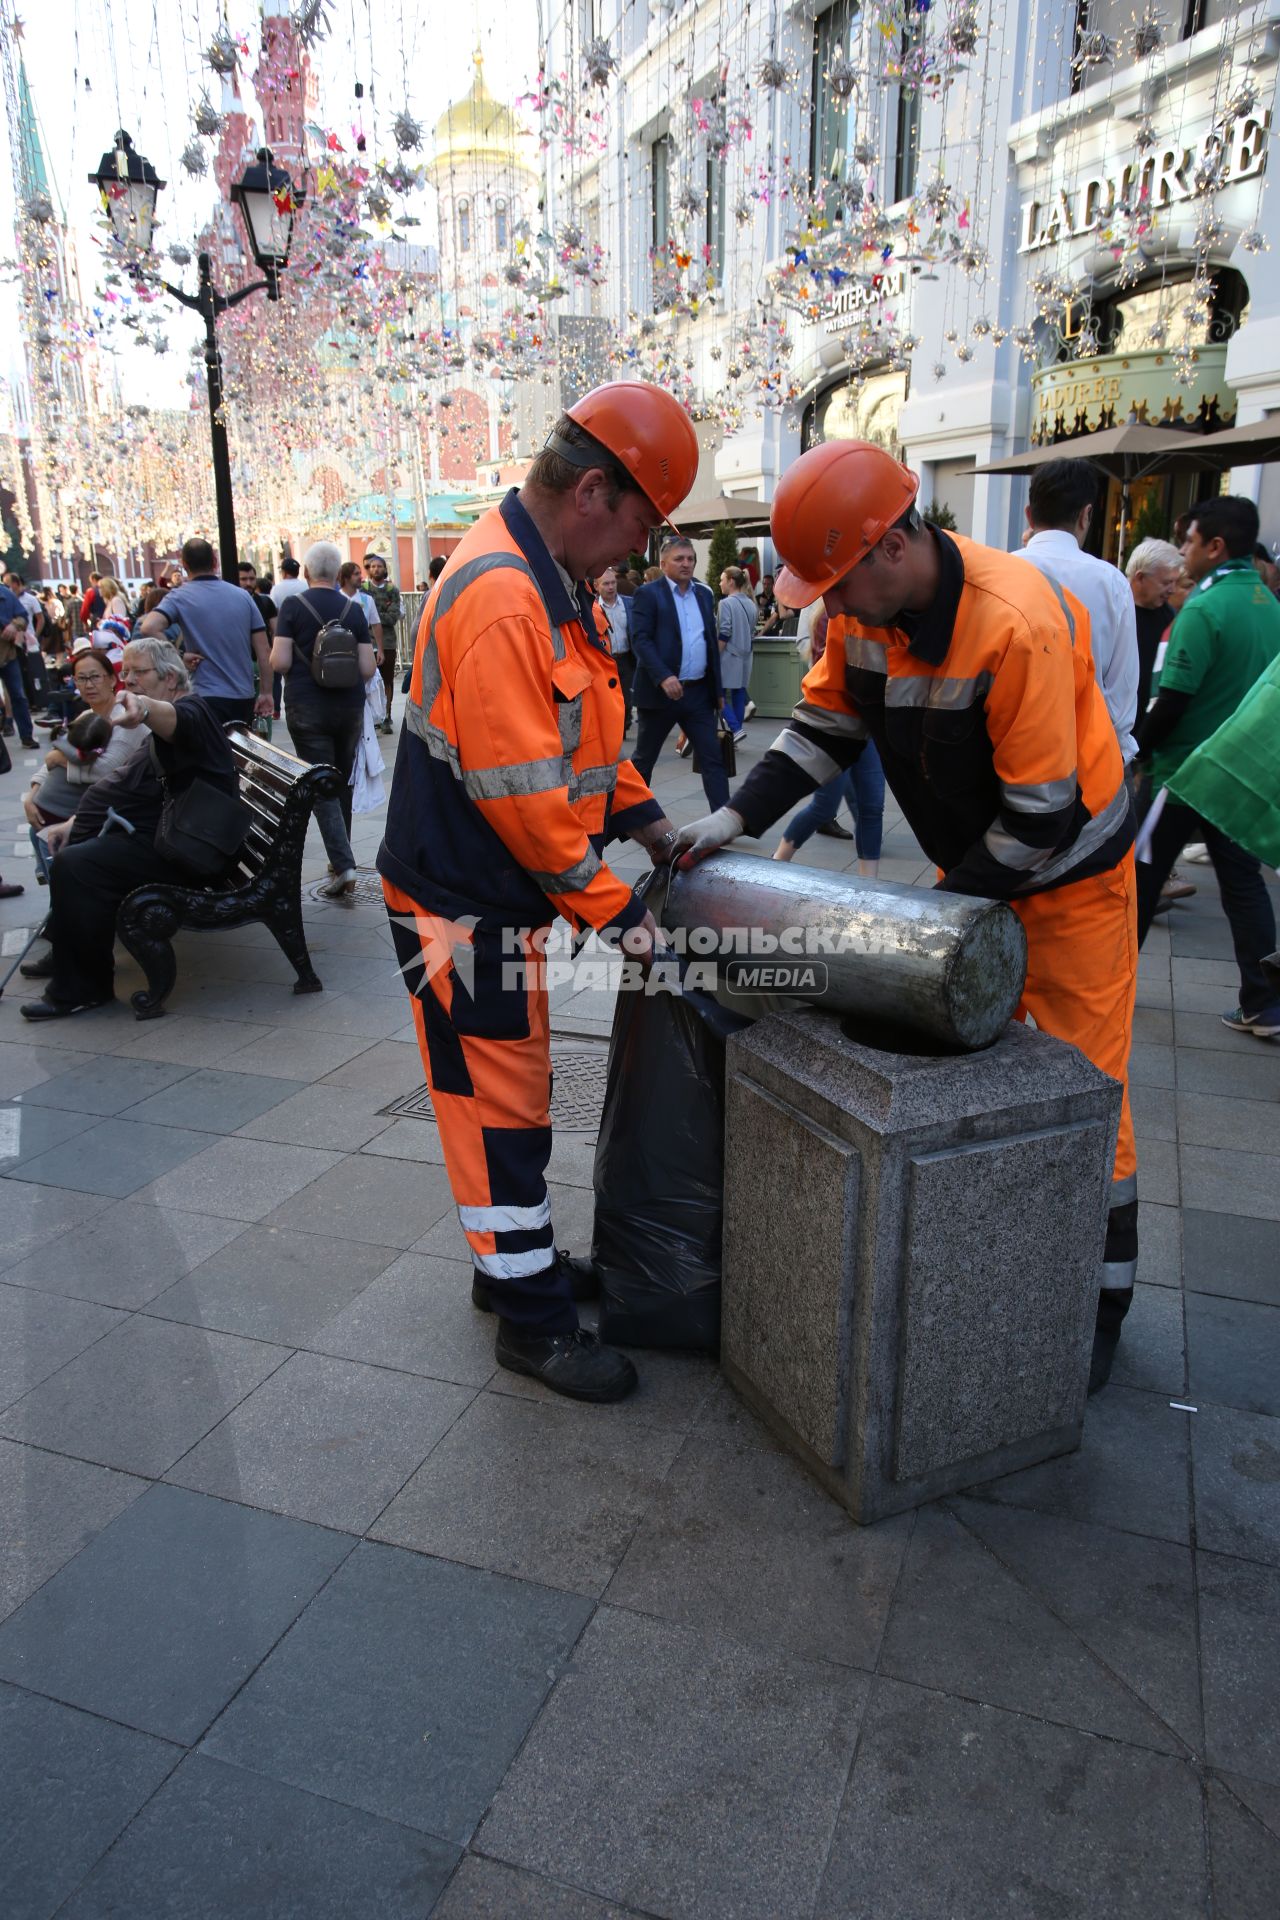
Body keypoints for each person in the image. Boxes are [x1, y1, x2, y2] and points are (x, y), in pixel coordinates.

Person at [674, 438, 1138, 1393]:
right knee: (973, 1055)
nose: (829, 608)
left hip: (1075, 881)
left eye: (838, 584)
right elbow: (822, 731)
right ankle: (991, 1256)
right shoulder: (864, 616)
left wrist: (937, 915)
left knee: (1087, 1076)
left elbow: (1044, 819)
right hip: (976, 857)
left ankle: (1097, 1300)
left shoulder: (1017, 621)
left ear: (892, 547)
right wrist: (732, 817)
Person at [378, 380, 696, 1404]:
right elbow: (530, 810)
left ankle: (510, 1270)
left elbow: (586, 749)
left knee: (505, 1098)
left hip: (482, 898)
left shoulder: (545, 578)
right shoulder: (504, 597)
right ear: (595, 490)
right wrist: (627, 920)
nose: (638, 553)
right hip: (459, 906)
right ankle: (531, 1323)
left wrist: (650, 820)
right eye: (642, 527)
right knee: (500, 1114)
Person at [19, 637, 239, 1020]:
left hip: (192, 851)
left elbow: (173, 719)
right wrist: (74, 821)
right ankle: (74, 961)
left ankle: (83, 987)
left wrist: (143, 708)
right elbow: (130, 780)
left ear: (170, 678)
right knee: (79, 860)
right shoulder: (172, 713)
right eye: (126, 673)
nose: (129, 681)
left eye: (138, 673)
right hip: (173, 837)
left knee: (78, 867)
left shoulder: (191, 711)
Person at [1134, 495, 1280, 1037]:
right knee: (1244, 885)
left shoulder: (1204, 608)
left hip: (1183, 772)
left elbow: (1171, 699)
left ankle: (1111, 986)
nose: (1184, 551)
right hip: (1236, 773)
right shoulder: (1268, 603)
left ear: (1215, 546)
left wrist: (1140, 751)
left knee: (1140, 879)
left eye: (1189, 540)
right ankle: (1264, 1002)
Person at [271, 540, 376, 898]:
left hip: (306, 707)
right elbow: (366, 667)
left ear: (305, 572)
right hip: (348, 708)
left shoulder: (292, 607)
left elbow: (280, 662)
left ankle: (344, 866)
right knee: (340, 781)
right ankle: (339, 858)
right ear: (336, 573)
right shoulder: (354, 609)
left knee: (320, 784)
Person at [1017, 459, 1140, 763]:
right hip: (1088, 759)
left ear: (1030, 515)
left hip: (1013, 755)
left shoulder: (998, 572)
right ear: (1086, 515)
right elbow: (1121, 694)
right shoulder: (1111, 582)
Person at [630, 535, 729, 809]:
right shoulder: (648, 594)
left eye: (690, 559)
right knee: (644, 761)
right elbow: (640, 639)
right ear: (663, 564)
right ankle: (627, 816)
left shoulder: (703, 594)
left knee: (712, 758)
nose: (686, 564)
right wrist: (663, 676)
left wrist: (717, 691)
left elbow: (709, 643)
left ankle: (725, 821)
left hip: (697, 694)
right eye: (679, 559)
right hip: (660, 694)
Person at [138, 538, 273, 728]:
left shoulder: (179, 596)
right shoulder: (242, 596)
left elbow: (148, 627)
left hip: (203, 695)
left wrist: (178, 657)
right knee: (239, 754)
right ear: (214, 561)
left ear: (184, 565)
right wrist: (266, 692)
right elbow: (264, 650)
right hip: (242, 694)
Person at [22, 649, 144, 827]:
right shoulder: (85, 716)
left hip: (88, 817)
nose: (89, 685)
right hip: (50, 812)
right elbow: (48, 765)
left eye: (95, 677)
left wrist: (60, 759)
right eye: (81, 678)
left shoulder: (127, 717)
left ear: (112, 679)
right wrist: (30, 799)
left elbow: (106, 770)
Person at [1125, 538, 1183, 723]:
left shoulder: (1169, 617)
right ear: (1140, 577)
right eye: (1166, 582)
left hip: (1146, 721)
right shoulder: (1115, 608)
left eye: (1175, 582)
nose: (1172, 590)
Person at [363, 553, 402, 735]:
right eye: (372, 566)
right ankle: (371, 716)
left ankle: (386, 715)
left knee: (387, 680)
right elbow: (361, 615)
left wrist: (374, 617)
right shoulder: (362, 589)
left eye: (379, 566)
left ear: (385, 569)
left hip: (387, 642)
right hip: (366, 642)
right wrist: (376, 617)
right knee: (367, 680)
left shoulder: (392, 590)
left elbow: (393, 616)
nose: (376, 569)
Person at [595, 565, 633, 732]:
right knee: (607, 698)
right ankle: (613, 728)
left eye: (613, 583)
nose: (610, 587)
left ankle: (623, 725)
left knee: (626, 697)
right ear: (596, 586)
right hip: (604, 660)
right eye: (606, 584)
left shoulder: (629, 603)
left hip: (626, 658)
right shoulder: (592, 607)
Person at [0, 587, 38, 748]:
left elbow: (22, 616)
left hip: (7, 654)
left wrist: (14, 625)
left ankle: (27, 736)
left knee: (18, 695)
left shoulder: (6, 594)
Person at [338, 560, 383, 663]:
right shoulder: (335, 599)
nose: (360, 577)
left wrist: (380, 650)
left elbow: (376, 624)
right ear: (346, 577)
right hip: (340, 651)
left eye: (360, 573)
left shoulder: (367, 599)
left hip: (363, 650)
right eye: (356, 574)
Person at [237, 560, 278, 649]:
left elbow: (275, 631)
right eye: (243, 579)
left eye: (252, 579)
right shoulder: (230, 603)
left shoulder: (266, 602)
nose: (248, 583)